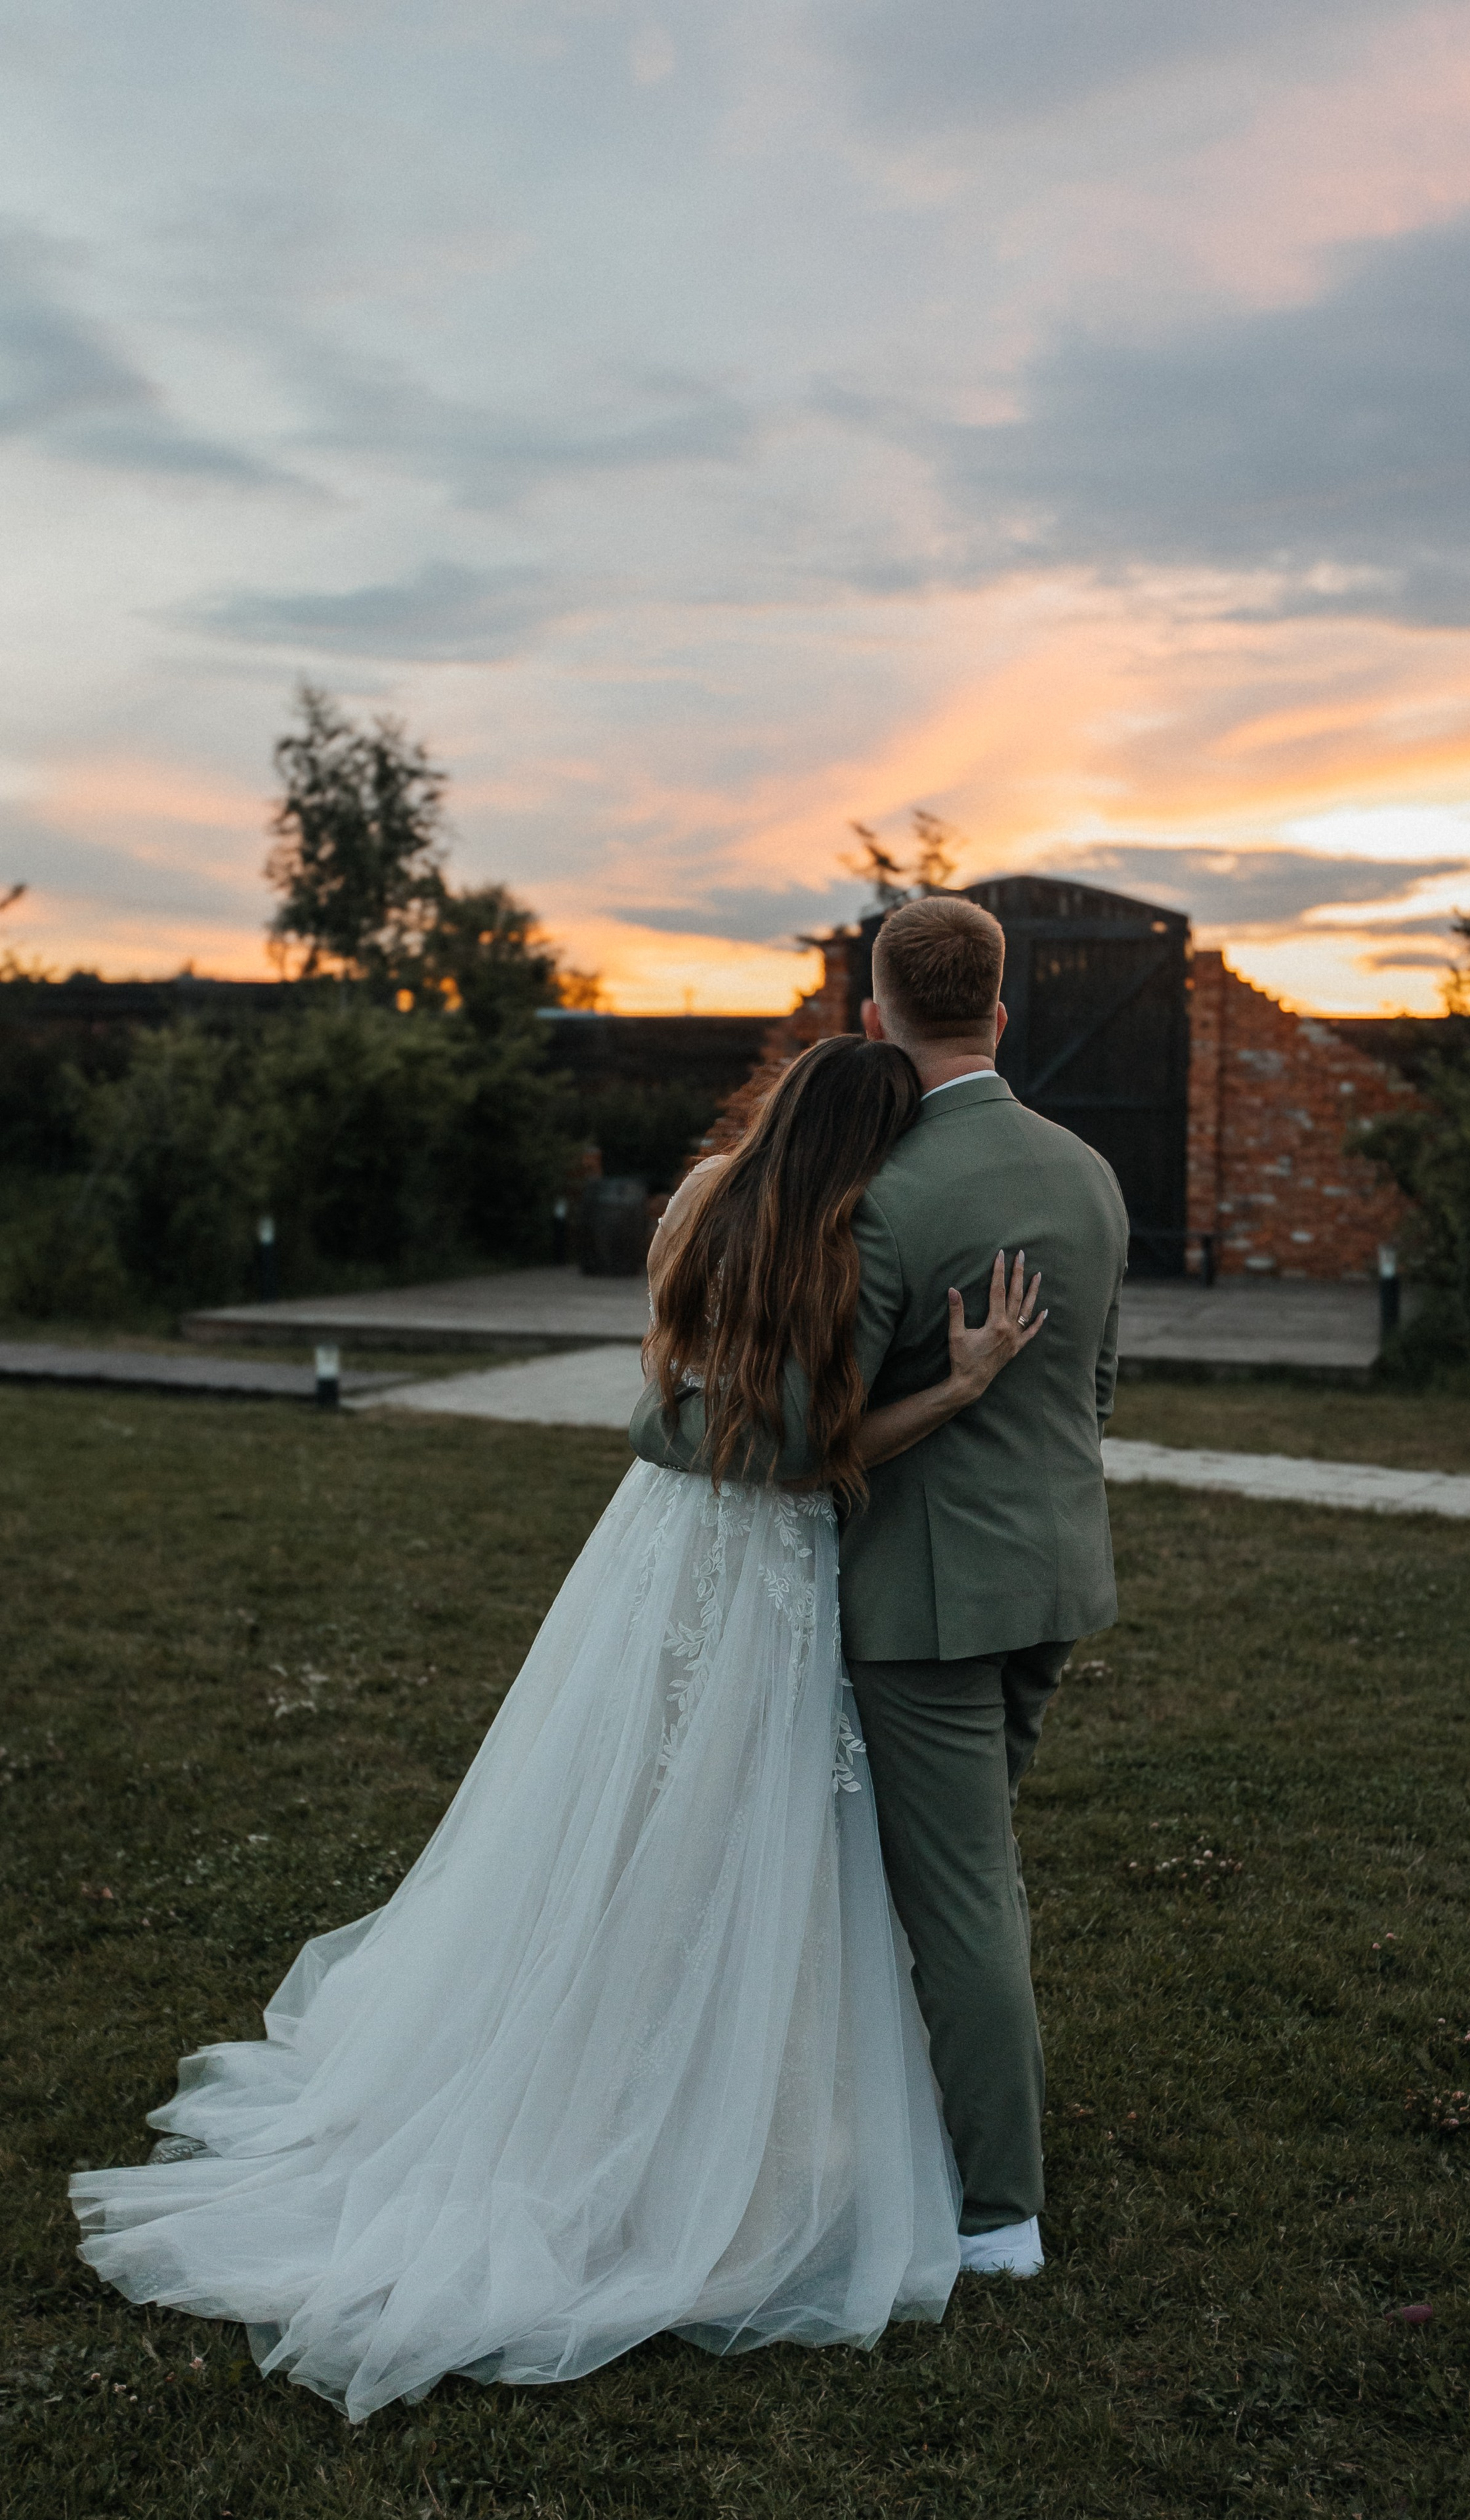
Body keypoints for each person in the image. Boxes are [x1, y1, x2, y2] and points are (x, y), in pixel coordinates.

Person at [70, 1033, 1048, 2424]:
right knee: (748, 1826)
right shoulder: (843, 1243)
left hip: (659, 1545)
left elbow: (672, 1384)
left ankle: (629, 2050)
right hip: (772, 1560)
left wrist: (693, 1419)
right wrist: (955, 1385)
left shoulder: (704, 1195)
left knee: (632, 1805)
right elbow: (807, 1454)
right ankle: (711, 2113)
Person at [631, 894, 1129, 2277]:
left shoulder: (884, 1200)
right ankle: (903, 2117)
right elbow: (1093, 1390)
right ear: (1001, 1012)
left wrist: (656, 1420)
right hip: (1053, 1578)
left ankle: (999, 2214)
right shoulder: (1088, 1173)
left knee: (960, 1900)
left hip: (925, 1602)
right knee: (964, 1871)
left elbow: (792, 1438)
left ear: (872, 1016)